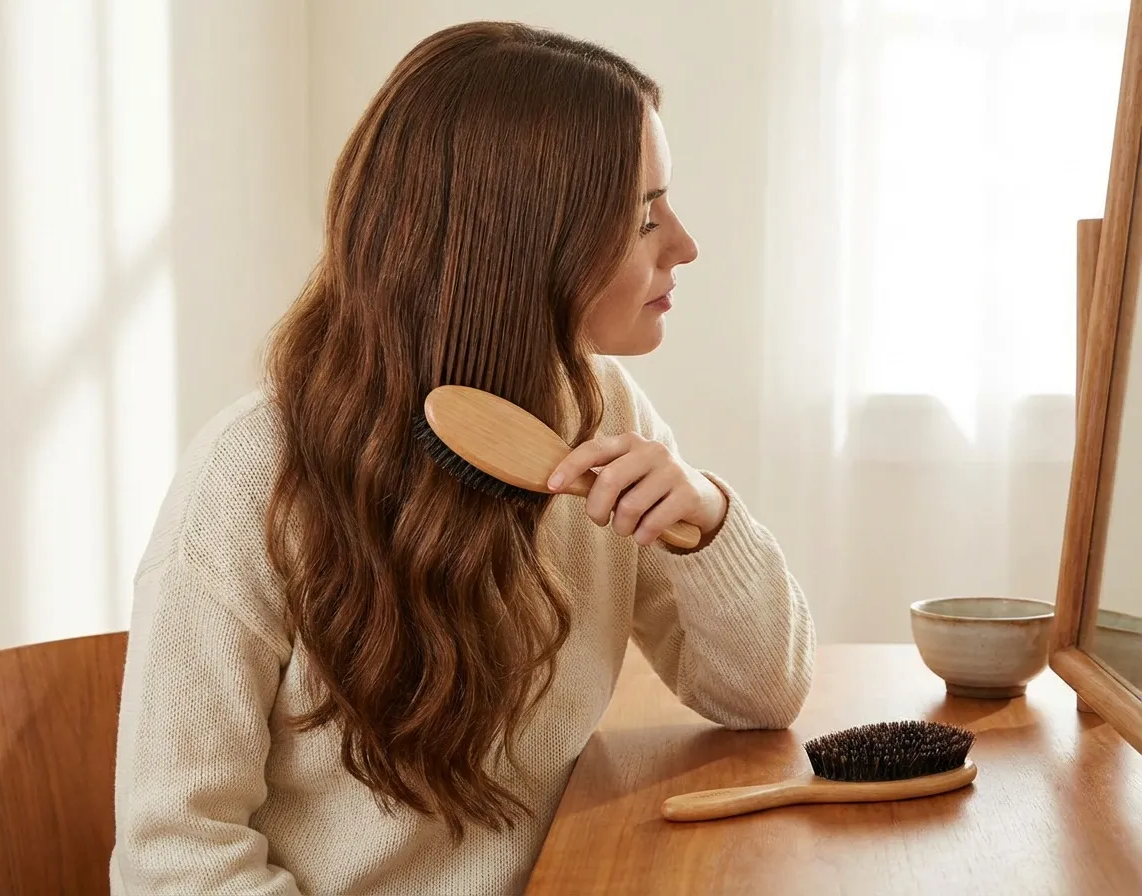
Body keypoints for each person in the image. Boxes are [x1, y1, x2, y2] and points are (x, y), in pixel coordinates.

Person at [110, 20, 815, 896]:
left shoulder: (598, 413)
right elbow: (171, 863)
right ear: (525, 242)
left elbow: (763, 697)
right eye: (643, 217)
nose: (684, 243)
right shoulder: (251, 478)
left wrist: (706, 522)